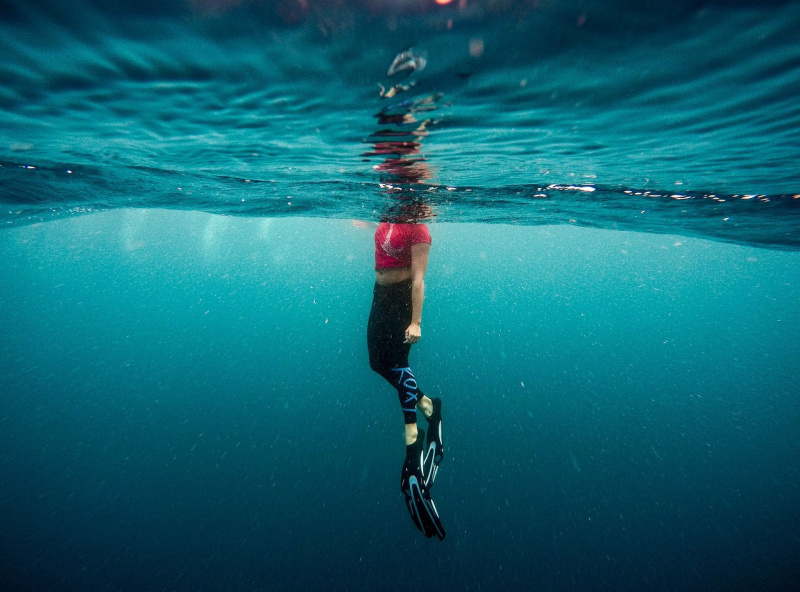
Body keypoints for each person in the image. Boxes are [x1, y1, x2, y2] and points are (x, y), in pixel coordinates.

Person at [367, 214, 445, 540]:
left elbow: (418, 280)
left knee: (398, 364)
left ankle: (412, 447)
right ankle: (430, 406)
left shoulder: (420, 228)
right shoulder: (387, 213)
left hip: (401, 298)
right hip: (380, 294)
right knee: (377, 362)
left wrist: (417, 322)